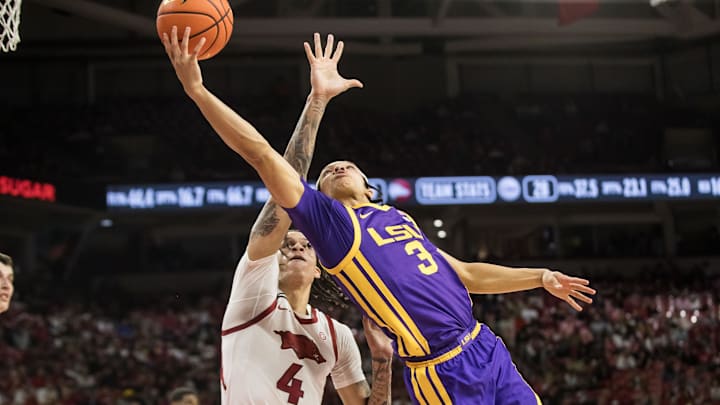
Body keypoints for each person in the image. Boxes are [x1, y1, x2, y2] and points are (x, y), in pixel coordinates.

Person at [165, 28, 596, 404]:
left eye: (345, 164)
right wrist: (199, 91)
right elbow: (261, 155)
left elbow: (464, 273)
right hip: (442, 367)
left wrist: (539, 276)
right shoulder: (334, 227)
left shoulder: (398, 220)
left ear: (371, 188)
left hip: (485, 345)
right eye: (327, 171)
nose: (335, 166)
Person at [163, 29, 393, 404]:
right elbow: (279, 177)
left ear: (321, 266)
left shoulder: (337, 336)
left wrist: (382, 362)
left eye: (305, 244)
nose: (297, 246)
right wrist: (316, 101)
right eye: (287, 244)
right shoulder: (254, 295)